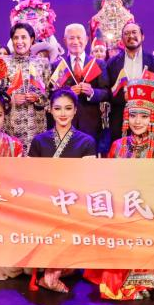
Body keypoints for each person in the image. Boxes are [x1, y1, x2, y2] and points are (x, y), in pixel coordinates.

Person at [83, 78, 154, 301]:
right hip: (121, 214)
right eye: (133, 115)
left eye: (143, 116)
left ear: (152, 118)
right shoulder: (117, 146)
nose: (138, 121)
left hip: (151, 217)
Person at [27, 88, 97, 293]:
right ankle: (51, 272)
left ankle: (52, 274)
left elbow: (88, 180)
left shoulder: (87, 142)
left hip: (74, 203)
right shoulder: (39, 141)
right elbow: (31, 178)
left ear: (75, 110)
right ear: (49, 110)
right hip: (44, 202)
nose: (63, 113)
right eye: (57, 108)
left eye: (68, 108)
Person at [105, 22, 154, 147]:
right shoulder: (111, 63)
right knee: (120, 157)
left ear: (142, 36)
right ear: (122, 39)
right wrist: (123, 97)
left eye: (134, 32)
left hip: (147, 119)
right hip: (119, 119)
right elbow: (107, 91)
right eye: (126, 34)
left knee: (146, 157)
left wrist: (146, 97)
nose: (130, 36)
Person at [52, 23, 109, 145]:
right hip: (64, 123)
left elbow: (106, 93)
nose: (75, 41)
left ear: (87, 40)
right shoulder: (58, 65)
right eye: (71, 38)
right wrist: (67, 93)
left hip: (91, 125)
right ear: (65, 40)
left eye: (79, 37)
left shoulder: (98, 64)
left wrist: (92, 92)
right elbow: (52, 94)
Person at [3, 22, 51, 151]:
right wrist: (11, 99)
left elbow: (49, 95)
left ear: (32, 39)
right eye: (16, 37)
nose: (19, 41)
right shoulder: (3, 63)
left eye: (24, 37)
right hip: (10, 124)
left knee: (35, 165)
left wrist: (37, 98)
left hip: (36, 124)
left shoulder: (43, 63)